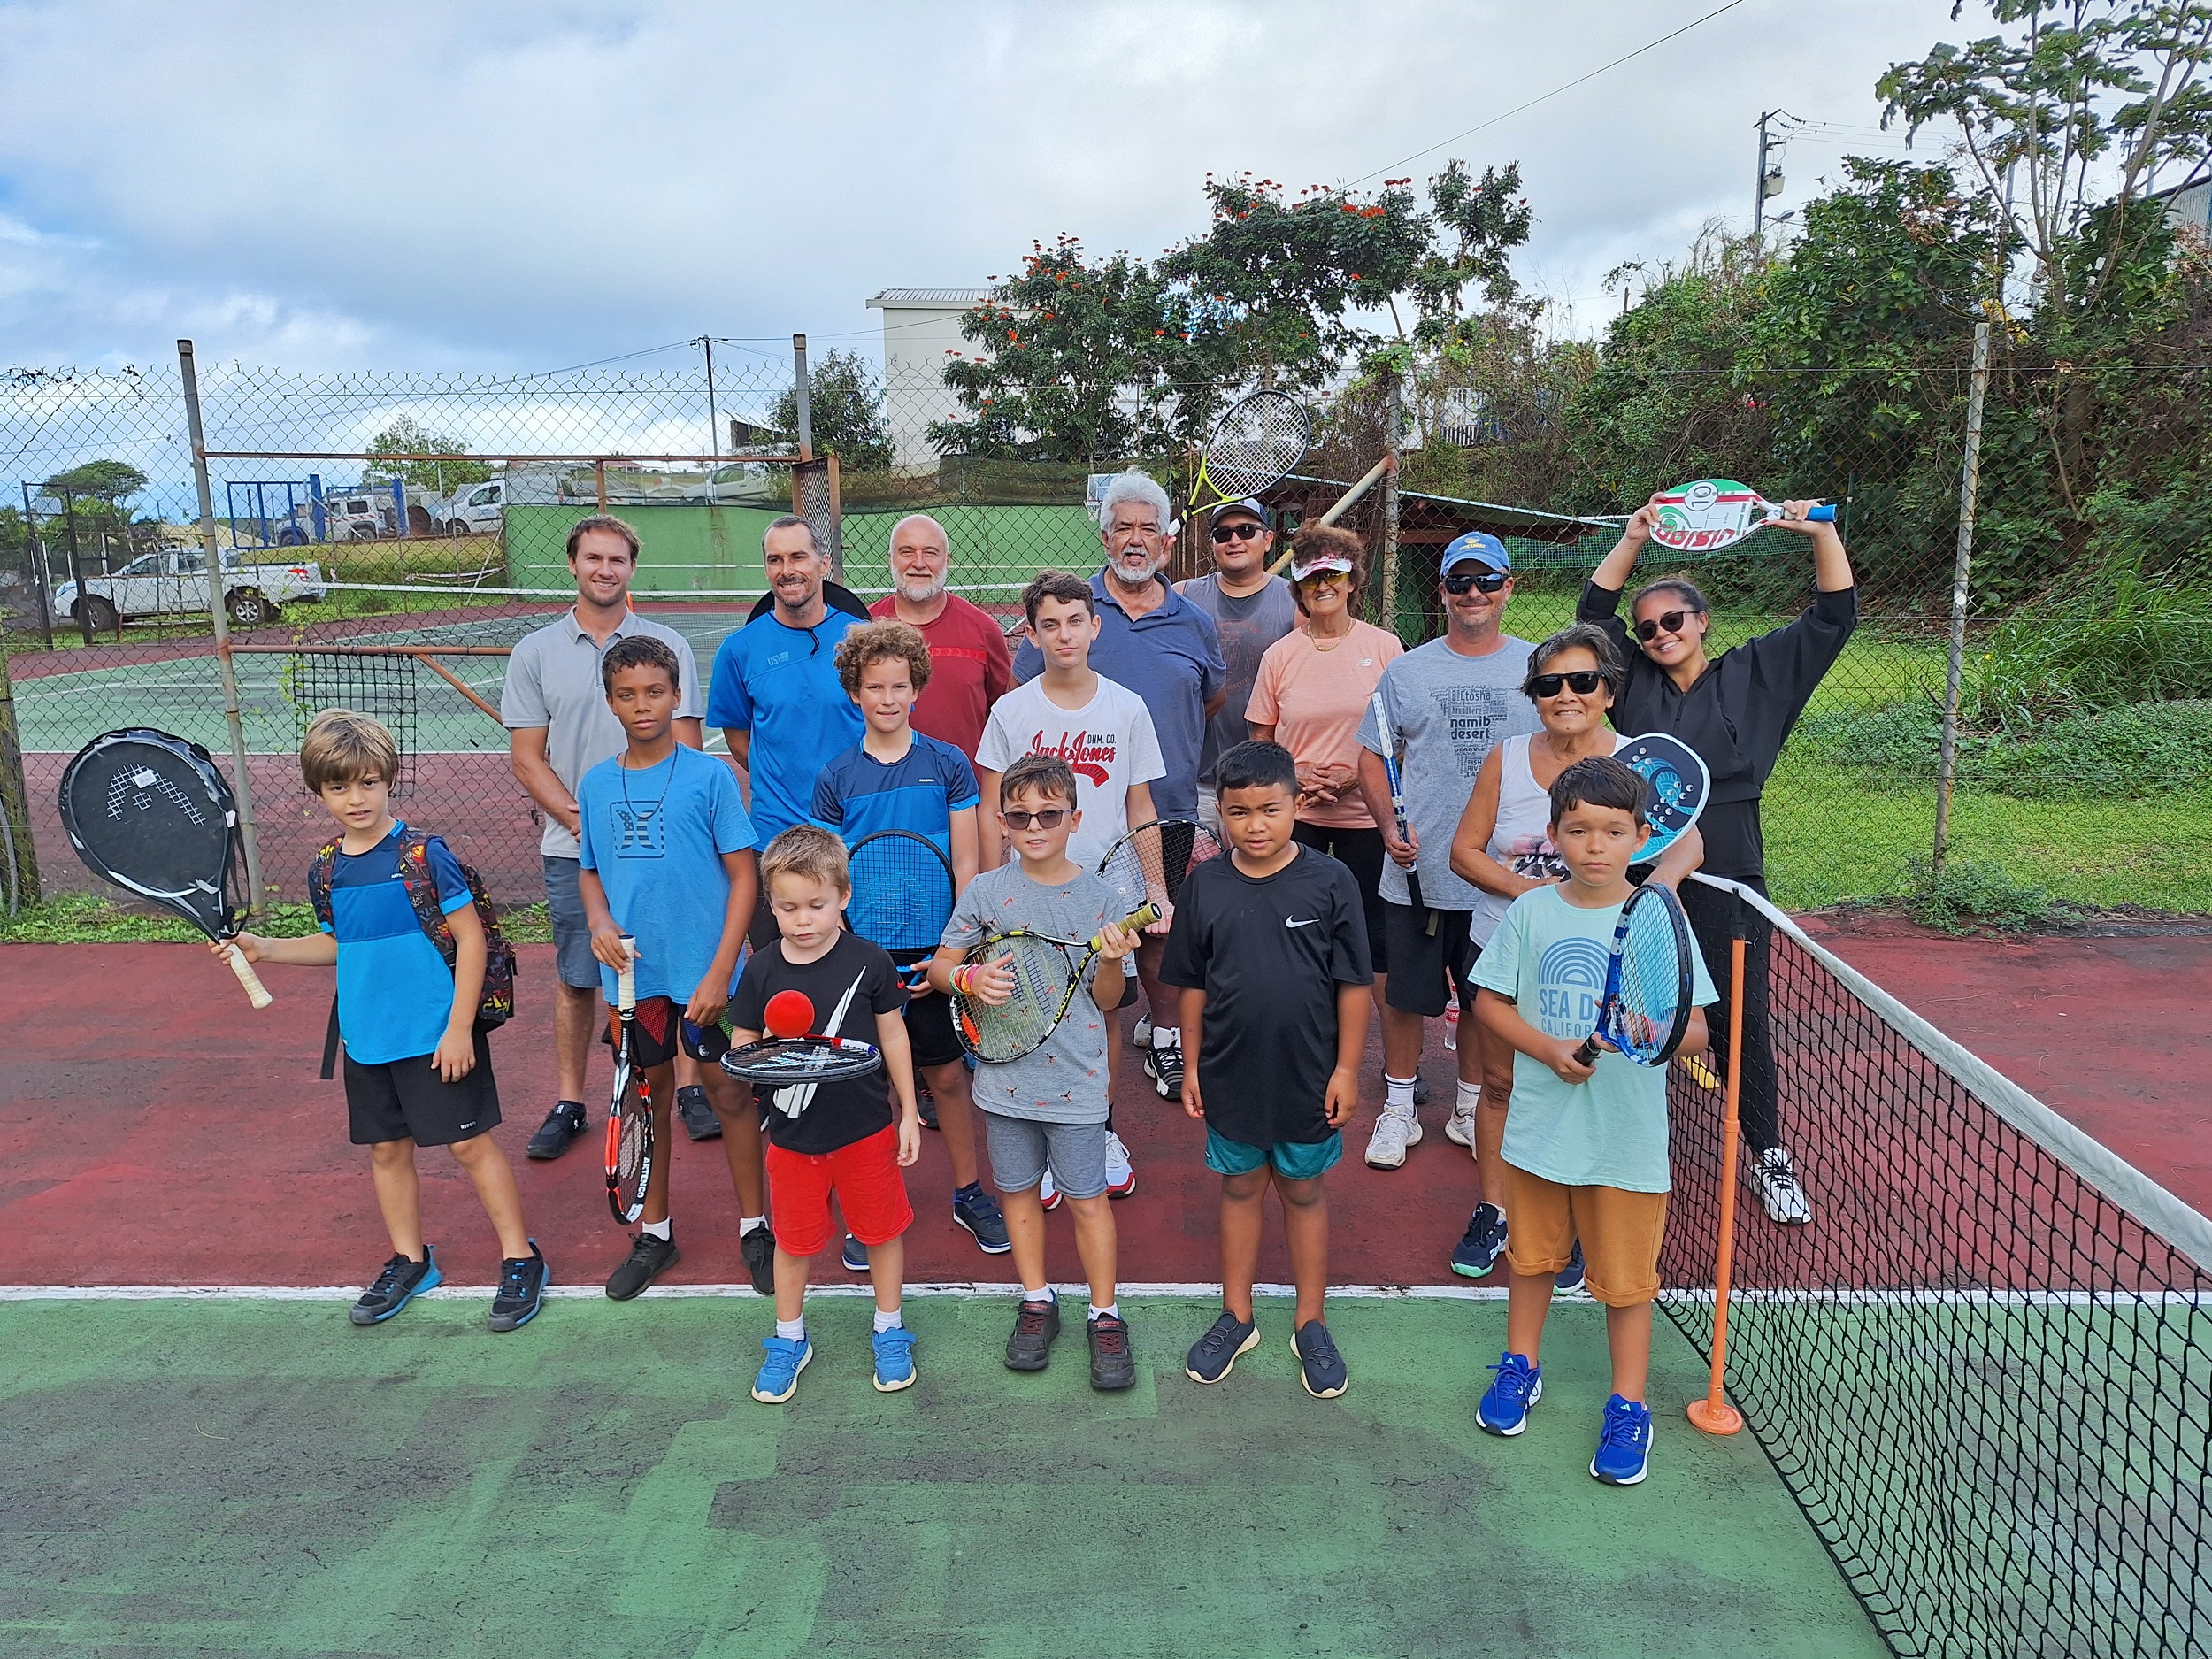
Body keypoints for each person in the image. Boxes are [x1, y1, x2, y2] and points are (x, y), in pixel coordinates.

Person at [220, 711, 548, 1333]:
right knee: (386, 1149)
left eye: (368, 782)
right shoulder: (326, 868)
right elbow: (337, 944)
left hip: (436, 1034)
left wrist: (458, 1028)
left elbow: (470, 940)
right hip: (366, 1039)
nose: (356, 798)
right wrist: (264, 947)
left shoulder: (424, 854)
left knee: (469, 1144)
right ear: (319, 793)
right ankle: (410, 1258)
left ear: (388, 780)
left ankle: (520, 1256)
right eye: (340, 787)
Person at [1578, 496, 1857, 1225]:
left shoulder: (1756, 672)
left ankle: (1770, 1156)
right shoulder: (1631, 682)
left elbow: (1834, 616)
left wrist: (1820, 530)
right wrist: (1634, 534)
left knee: (1739, 1017)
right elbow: (1592, 615)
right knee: (1634, 1006)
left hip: (1731, 862)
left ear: (1702, 620)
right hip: (1646, 862)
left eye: (1674, 619)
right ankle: (1618, 1142)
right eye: (1648, 628)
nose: (1660, 633)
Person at [1470, 756, 1716, 1487]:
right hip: (1542, 1135)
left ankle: (1628, 1403)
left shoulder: (1661, 920)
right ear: (1554, 835)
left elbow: (1699, 1030)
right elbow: (1490, 1003)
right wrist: (1547, 1049)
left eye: (1614, 831)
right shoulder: (1531, 911)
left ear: (1642, 837)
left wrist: (1656, 1028)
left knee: (1626, 1284)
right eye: (1579, 830)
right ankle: (1521, 1366)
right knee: (1531, 1260)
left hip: (1626, 1144)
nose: (1596, 845)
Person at [1448, 624, 1706, 1286]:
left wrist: (1649, 899)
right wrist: (1538, 894)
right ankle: (1494, 1208)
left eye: (1582, 680)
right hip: (1512, 941)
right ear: (1534, 695)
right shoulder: (1506, 758)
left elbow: (1686, 845)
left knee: (1600, 1087)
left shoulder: (1639, 759)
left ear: (1608, 691)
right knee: (1502, 1084)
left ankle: (1587, 1222)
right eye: (1548, 684)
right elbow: (1465, 852)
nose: (1566, 694)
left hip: (1611, 948)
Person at [503, 514, 717, 1157]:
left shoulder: (669, 645)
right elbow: (526, 758)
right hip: (575, 849)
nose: (605, 569)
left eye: (617, 559)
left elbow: (686, 753)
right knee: (577, 976)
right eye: (593, 557)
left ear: (632, 567)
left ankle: (688, 1087)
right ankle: (571, 1100)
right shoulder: (534, 652)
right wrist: (583, 821)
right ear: (573, 563)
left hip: (668, 852)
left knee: (674, 969)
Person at [928, 754, 1143, 1391]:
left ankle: (1105, 1313)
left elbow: (1108, 1000)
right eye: (1020, 816)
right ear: (1002, 821)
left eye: (1049, 814)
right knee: (1018, 1194)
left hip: (1076, 1085)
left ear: (1074, 818)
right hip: (1002, 1082)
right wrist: (967, 976)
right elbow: (942, 967)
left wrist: (1110, 960)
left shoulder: (1104, 899)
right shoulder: (987, 892)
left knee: (1087, 1202)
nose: (1035, 825)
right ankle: (1036, 1300)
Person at [1010, 470, 1225, 1103]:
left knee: (1159, 929)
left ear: (1165, 543)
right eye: (1123, 527)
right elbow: (1027, 698)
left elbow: (1208, 699)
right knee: (1067, 938)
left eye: (1147, 529)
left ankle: (1163, 1035)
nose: (1135, 539)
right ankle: (1057, 1047)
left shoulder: (1194, 622)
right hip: (1074, 819)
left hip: (1167, 808)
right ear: (1105, 536)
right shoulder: (1075, 614)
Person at [1165, 741, 1371, 1399]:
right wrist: (1191, 1063)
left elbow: (1354, 986)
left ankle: (1310, 1320)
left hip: (1309, 1075)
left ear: (1297, 804)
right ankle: (1239, 1315)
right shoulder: (1205, 882)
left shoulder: (1331, 880)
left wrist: (1345, 1070)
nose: (1255, 825)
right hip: (1229, 1071)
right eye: (1239, 812)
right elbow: (1191, 984)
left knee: (1304, 1191)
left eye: (1270, 809)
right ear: (1220, 813)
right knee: (1240, 1187)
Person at [576, 637, 770, 1300]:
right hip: (633, 982)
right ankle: (654, 1233)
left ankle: (756, 1227)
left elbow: (744, 878)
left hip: (707, 978)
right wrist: (600, 923)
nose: (642, 705)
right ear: (609, 702)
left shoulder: (710, 776)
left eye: (654, 692)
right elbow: (591, 874)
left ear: (676, 695)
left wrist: (721, 971)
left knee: (730, 1096)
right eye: (626, 695)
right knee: (648, 1101)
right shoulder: (596, 783)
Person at [813, 618, 1009, 1259]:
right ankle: (869, 1206)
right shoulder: (837, 776)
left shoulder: (947, 763)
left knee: (947, 1078)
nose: (889, 698)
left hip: (936, 949)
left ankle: (967, 1191)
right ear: (855, 694)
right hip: (866, 953)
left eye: (900, 685)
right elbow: (829, 877)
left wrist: (952, 949)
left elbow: (966, 865)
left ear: (917, 688)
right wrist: (851, 951)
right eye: (875, 686)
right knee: (867, 1083)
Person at [1354, 532, 1539, 1204]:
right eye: (1459, 581)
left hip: (1504, 877)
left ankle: (1468, 1104)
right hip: (1418, 869)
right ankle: (1399, 1106)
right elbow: (1373, 754)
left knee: (1484, 1001)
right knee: (1405, 996)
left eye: (1487, 581)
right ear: (1442, 593)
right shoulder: (1407, 670)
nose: (1473, 593)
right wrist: (1385, 825)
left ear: (1508, 587)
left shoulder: (1536, 666)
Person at [977, 569, 1164, 1198]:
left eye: (1075, 621)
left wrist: (1156, 891)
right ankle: (1040, 1128)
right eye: (1049, 624)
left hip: (1103, 895)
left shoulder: (1127, 707)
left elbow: (1141, 807)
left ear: (1096, 626)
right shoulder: (1011, 710)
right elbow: (988, 808)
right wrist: (985, 892)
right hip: (1027, 896)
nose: (1064, 635)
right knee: (1030, 1011)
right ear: (1030, 633)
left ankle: (1099, 1128)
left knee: (1100, 1014)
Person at [732, 826, 923, 1402]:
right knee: (793, 1241)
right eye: (788, 907)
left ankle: (889, 1328)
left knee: (882, 1233)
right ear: (771, 904)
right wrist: (763, 1044)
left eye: (816, 904)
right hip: (792, 1139)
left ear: (843, 895)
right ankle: (790, 1338)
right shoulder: (763, 968)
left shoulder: (870, 961)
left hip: (866, 1132)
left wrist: (909, 1110)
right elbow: (742, 1043)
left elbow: (893, 1036)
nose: (803, 919)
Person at [1246, 524, 1404, 1014]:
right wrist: (1294, 781)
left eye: (1334, 575)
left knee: (1375, 936)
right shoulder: (1280, 655)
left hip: (1367, 818)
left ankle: (1396, 1063)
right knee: (1300, 930)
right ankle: (1308, 1035)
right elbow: (1261, 738)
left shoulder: (1384, 648)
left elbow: (1403, 737)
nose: (1324, 587)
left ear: (1353, 581)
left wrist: (1357, 775)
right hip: (1301, 818)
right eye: (1312, 579)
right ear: (1299, 588)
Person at [707, 514, 868, 951]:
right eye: (775, 559)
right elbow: (739, 739)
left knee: (861, 978)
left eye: (798, 556)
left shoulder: (863, 639)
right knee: (781, 980)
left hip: (856, 835)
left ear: (824, 564)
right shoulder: (739, 650)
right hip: (775, 838)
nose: (787, 569)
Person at [1176, 497, 1299, 831]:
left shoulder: (1294, 602)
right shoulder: (1183, 597)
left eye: (1246, 530)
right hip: (1196, 777)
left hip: (1264, 778)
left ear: (1268, 539)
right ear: (1213, 543)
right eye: (1223, 533)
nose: (1234, 540)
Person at [867, 512, 1013, 760]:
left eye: (930, 552)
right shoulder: (864, 628)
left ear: (947, 560)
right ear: (891, 559)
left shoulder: (984, 630)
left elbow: (1004, 717)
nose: (919, 563)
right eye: (907, 552)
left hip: (965, 793)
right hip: (882, 790)